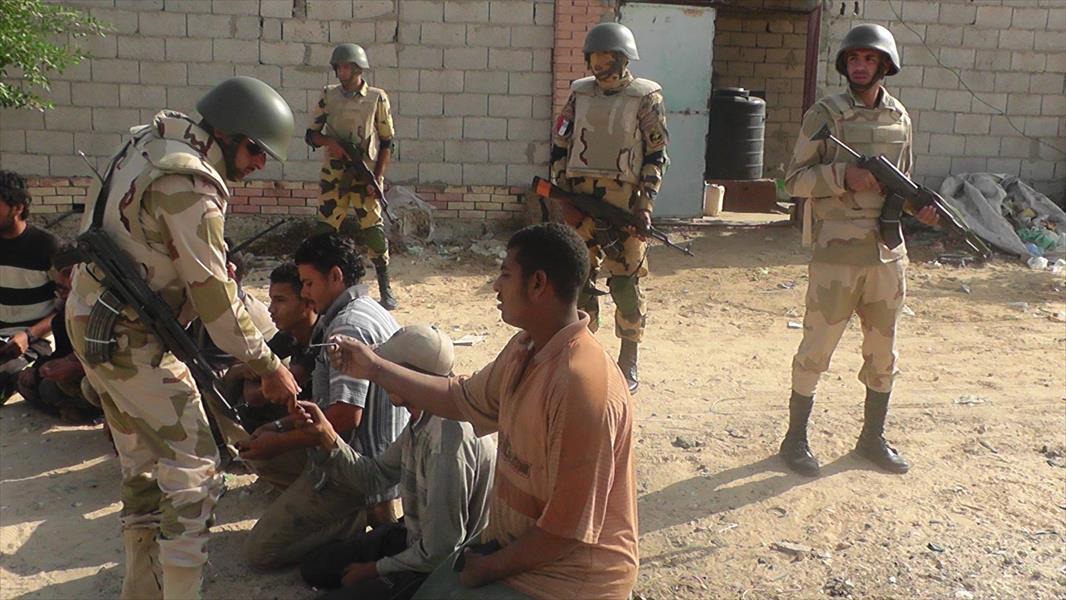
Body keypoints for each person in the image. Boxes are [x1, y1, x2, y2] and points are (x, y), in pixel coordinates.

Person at [65, 76, 302, 599]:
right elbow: (218, 307)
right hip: (130, 338)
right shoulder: (190, 182)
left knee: (143, 464)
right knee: (196, 469)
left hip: (93, 320)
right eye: (255, 150)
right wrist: (270, 366)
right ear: (229, 134)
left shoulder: (148, 141)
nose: (259, 164)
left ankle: (142, 590)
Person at [328, 223, 638, 600]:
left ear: (538, 283)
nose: (495, 286)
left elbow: (564, 533)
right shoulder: (526, 348)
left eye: (505, 274)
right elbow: (459, 398)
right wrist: (374, 368)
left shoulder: (582, 385)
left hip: (565, 579)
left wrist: (488, 568)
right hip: (513, 547)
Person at [779, 24, 939, 478]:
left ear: (885, 65)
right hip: (836, 254)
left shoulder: (900, 117)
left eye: (869, 59)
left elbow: (902, 185)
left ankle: (872, 439)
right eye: (854, 58)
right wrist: (842, 176)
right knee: (816, 349)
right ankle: (795, 439)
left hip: (886, 254)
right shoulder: (825, 115)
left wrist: (921, 211)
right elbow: (793, 181)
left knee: (883, 352)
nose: (861, 66)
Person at [294, 325, 496, 600]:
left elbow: (441, 550)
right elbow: (374, 476)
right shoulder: (423, 416)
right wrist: (327, 438)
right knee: (316, 566)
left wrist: (373, 569)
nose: (384, 380)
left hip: (440, 568)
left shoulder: (447, 441)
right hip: (415, 537)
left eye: (391, 371)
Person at [243, 233, 406, 570]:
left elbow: (345, 416)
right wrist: (278, 427)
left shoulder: (347, 327)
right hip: (366, 456)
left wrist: (279, 440)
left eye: (308, 283)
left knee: (260, 554)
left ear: (335, 276)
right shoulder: (365, 310)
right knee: (264, 455)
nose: (305, 293)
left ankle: (350, 516)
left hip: (358, 468)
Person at [549, 22, 669, 393]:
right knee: (578, 283)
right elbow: (560, 146)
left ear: (622, 58)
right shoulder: (579, 94)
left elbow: (656, 155)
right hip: (580, 205)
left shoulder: (646, 97)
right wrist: (564, 199)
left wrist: (645, 205)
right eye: (594, 58)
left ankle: (628, 360)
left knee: (626, 285)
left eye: (606, 57)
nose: (599, 65)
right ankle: (581, 355)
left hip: (624, 207)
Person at [306, 43, 398, 310]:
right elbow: (311, 135)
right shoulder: (329, 95)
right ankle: (320, 285)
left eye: (347, 67)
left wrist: (376, 178)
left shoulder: (377, 98)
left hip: (364, 174)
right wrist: (330, 143)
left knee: (373, 232)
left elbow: (387, 141)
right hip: (334, 175)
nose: (342, 72)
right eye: (339, 67)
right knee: (325, 233)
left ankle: (385, 286)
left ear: (358, 69)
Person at [15, 244, 101, 423]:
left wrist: (76, 367)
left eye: (68, 273)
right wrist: (38, 370)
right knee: (32, 383)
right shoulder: (64, 316)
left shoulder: (100, 308)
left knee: (57, 388)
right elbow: (62, 352)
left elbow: (112, 358)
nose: (62, 283)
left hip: (105, 377)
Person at [0, 170, 60, 404]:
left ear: (18, 208)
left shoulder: (46, 246)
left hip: (36, 340)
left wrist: (29, 335)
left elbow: (69, 306)